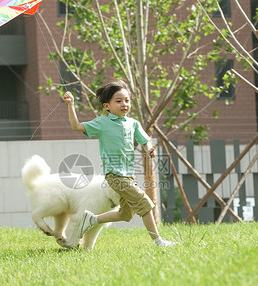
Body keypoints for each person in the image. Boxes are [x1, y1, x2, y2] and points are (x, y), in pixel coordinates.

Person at [63, 80, 178, 247]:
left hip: (128, 175)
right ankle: (158, 242)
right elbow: (76, 126)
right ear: (106, 106)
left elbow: (144, 140)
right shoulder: (102, 123)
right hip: (114, 175)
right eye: (118, 101)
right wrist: (71, 104)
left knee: (126, 214)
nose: (124, 104)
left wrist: (149, 149)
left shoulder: (133, 123)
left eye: (127, 100)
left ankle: (91, 219)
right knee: (144, 203)